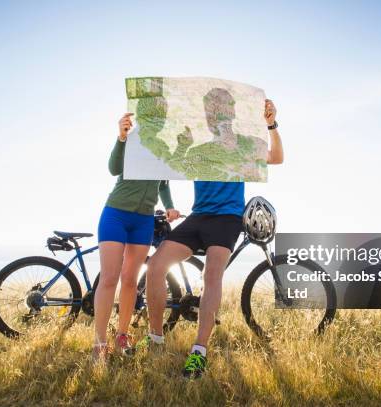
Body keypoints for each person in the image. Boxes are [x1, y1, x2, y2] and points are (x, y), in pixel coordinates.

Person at [138, 97, 284, 378]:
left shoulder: (243, 145)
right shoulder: (198, 148)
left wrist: (271, 124)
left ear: (231, 112)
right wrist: (181, 144)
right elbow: (165, 168)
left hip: (227, 218)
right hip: (198, 216)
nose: (214, 116)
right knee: (155, 267)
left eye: (220, 110)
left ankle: (199, 352)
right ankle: (156, 338)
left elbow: (276, 158)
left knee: (211, 275)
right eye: (209, 111)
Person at [93, 110, 180, 362]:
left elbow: (163, 184)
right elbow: (113, 168)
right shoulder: (132, 140)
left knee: (130, 280)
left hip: (143, 219)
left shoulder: (163, 147)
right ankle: (99, 343)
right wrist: (121, 137)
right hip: (116, 214)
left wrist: (170, 205)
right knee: (109, 278)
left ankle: (122, 335)